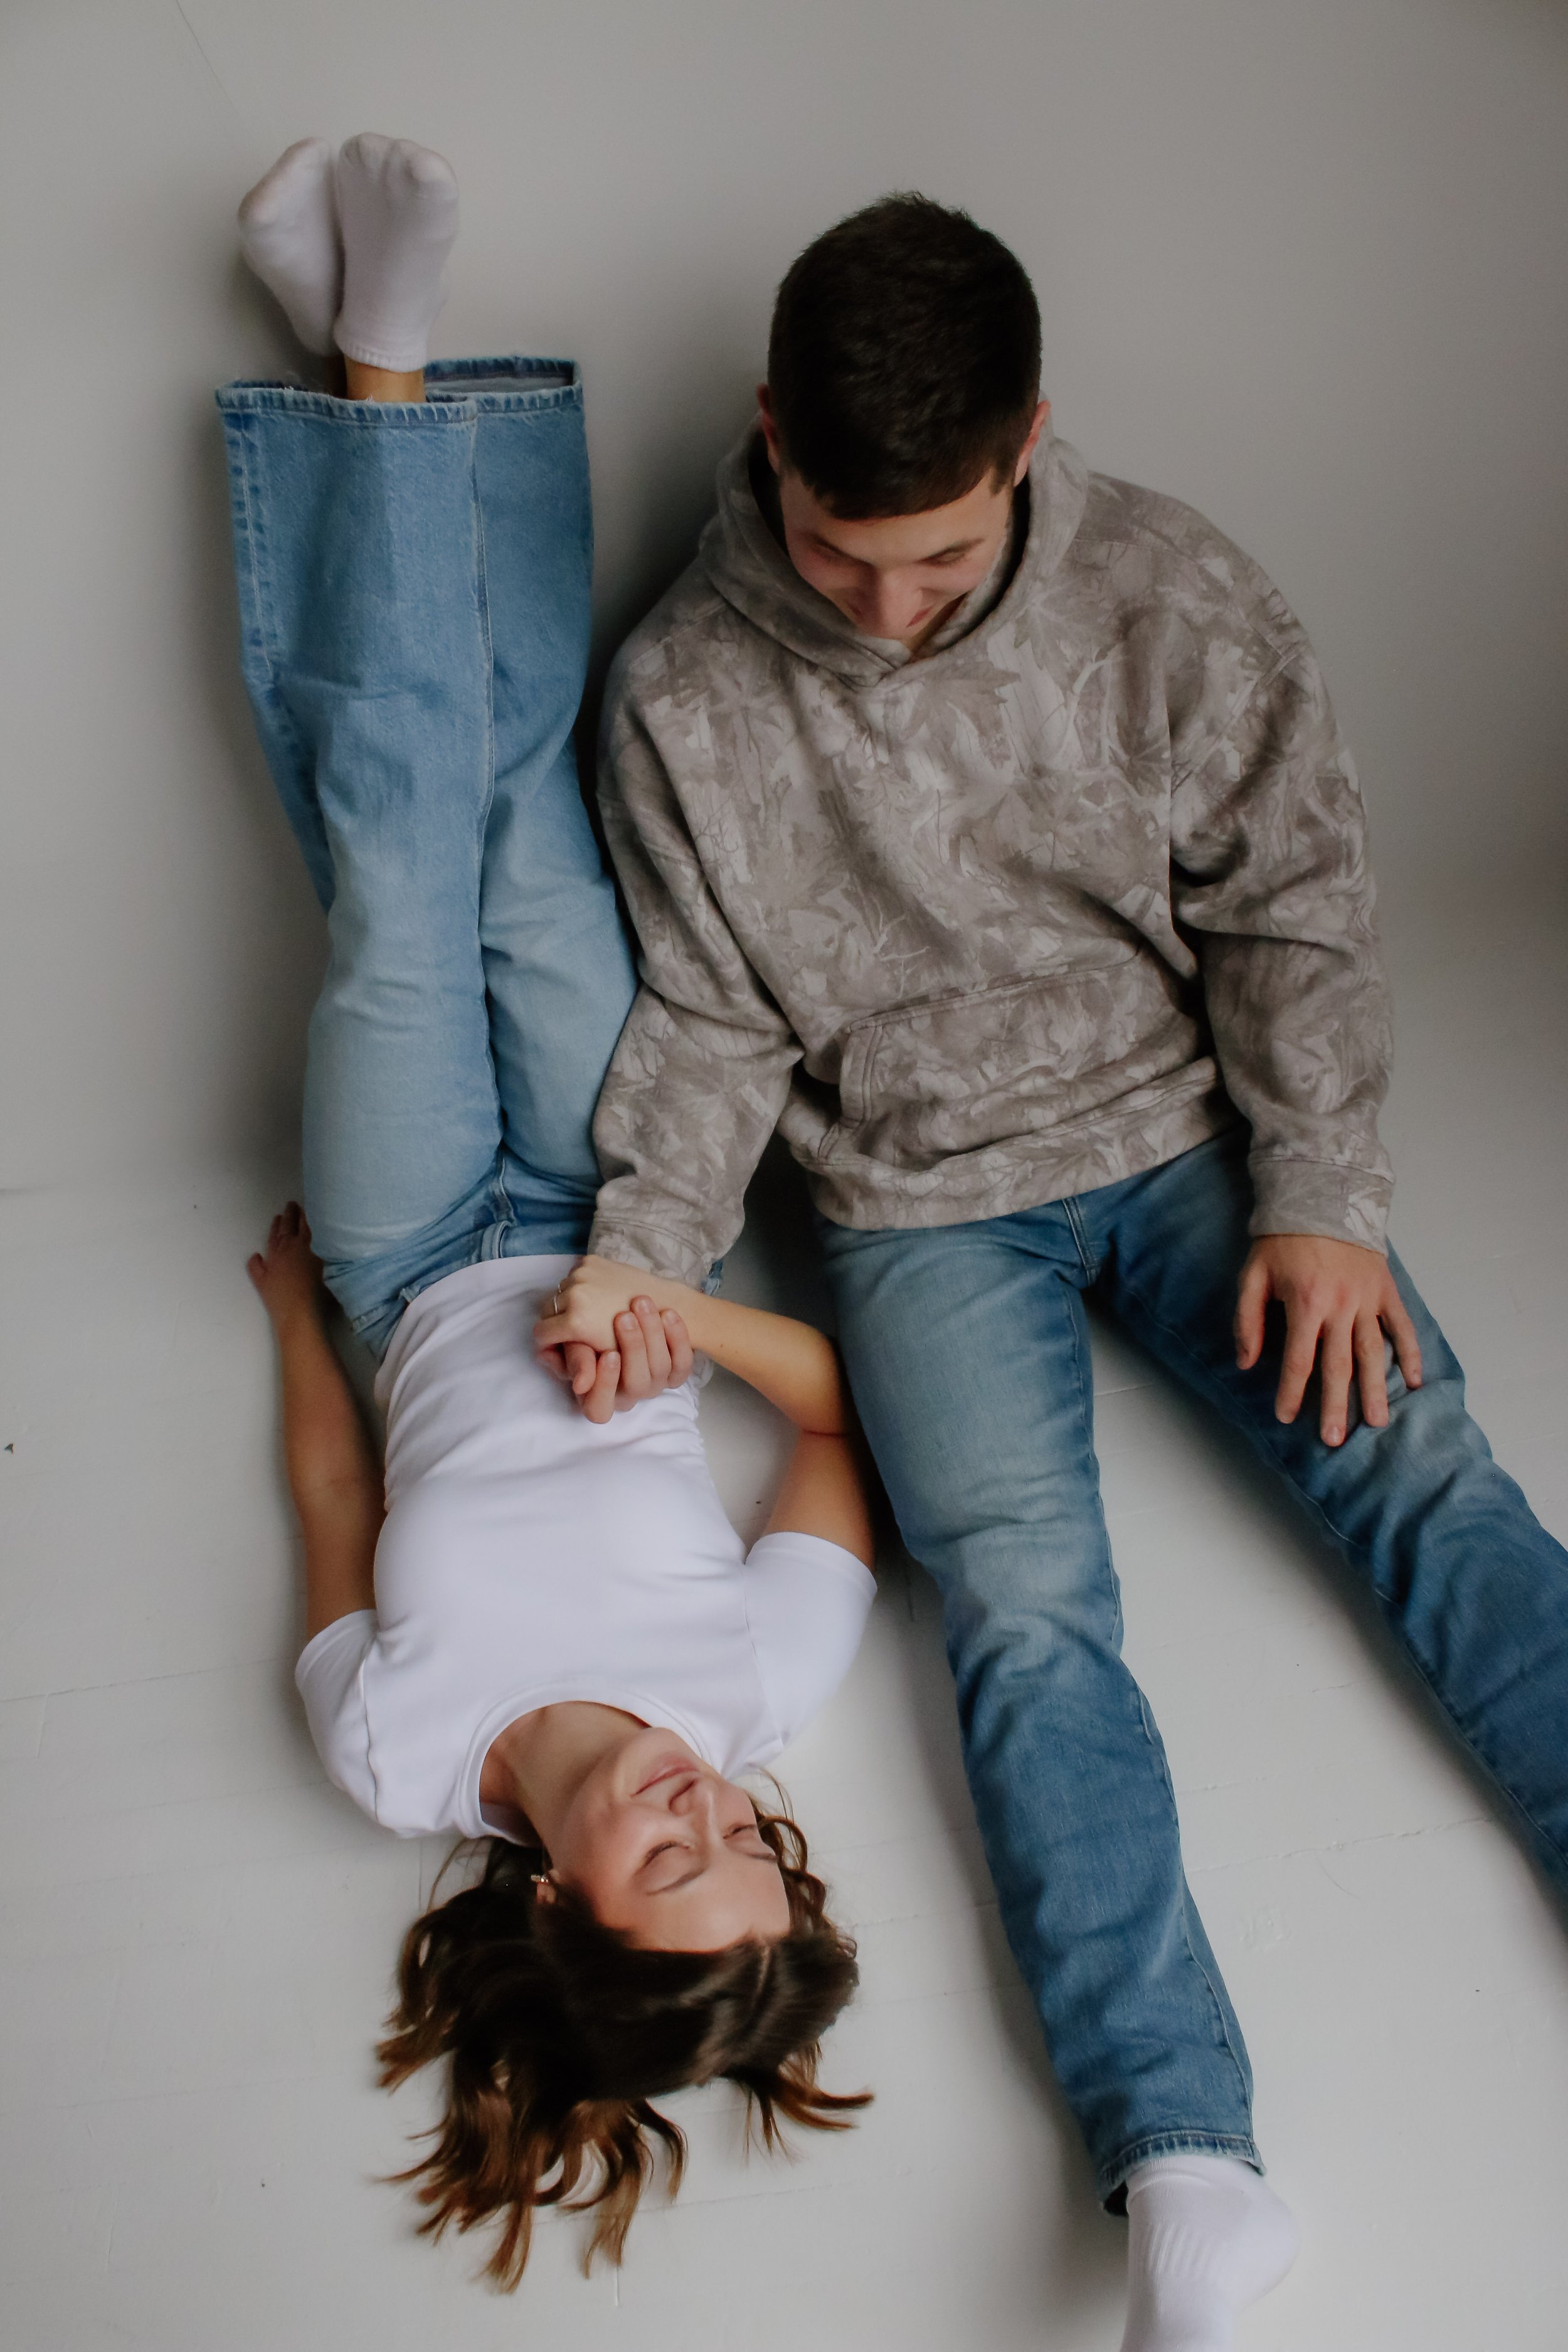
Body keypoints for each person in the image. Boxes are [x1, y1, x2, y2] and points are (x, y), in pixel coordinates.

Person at [544, 194, 1568, 2350]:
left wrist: (1321, 1198)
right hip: (910, 1204)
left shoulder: (1169, 591)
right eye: (839, 554)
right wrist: (641, 1247)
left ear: (1025, 438)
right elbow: (713, 1016)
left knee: (1416, 1466)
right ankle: (1178, 2150)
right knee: (1016, 1613)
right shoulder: (678, 689)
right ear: (765, 438)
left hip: (1191, 1141)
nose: (889, 607)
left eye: (938, 551)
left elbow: (1295, 906)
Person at [226, 135, 876, 2286]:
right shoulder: (760, 1681)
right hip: (621, 1202)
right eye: (752, 1852)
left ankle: (385, 372)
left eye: (676, 1862)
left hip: (409, 1257)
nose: (711, 1813)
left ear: (555, 1912)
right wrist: (672, 1320)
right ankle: (383, 369)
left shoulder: (397, 1756)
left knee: (397, 878)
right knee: (522, 819)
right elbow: (839, 1422)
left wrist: (292, 1313)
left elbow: (332, 1499)